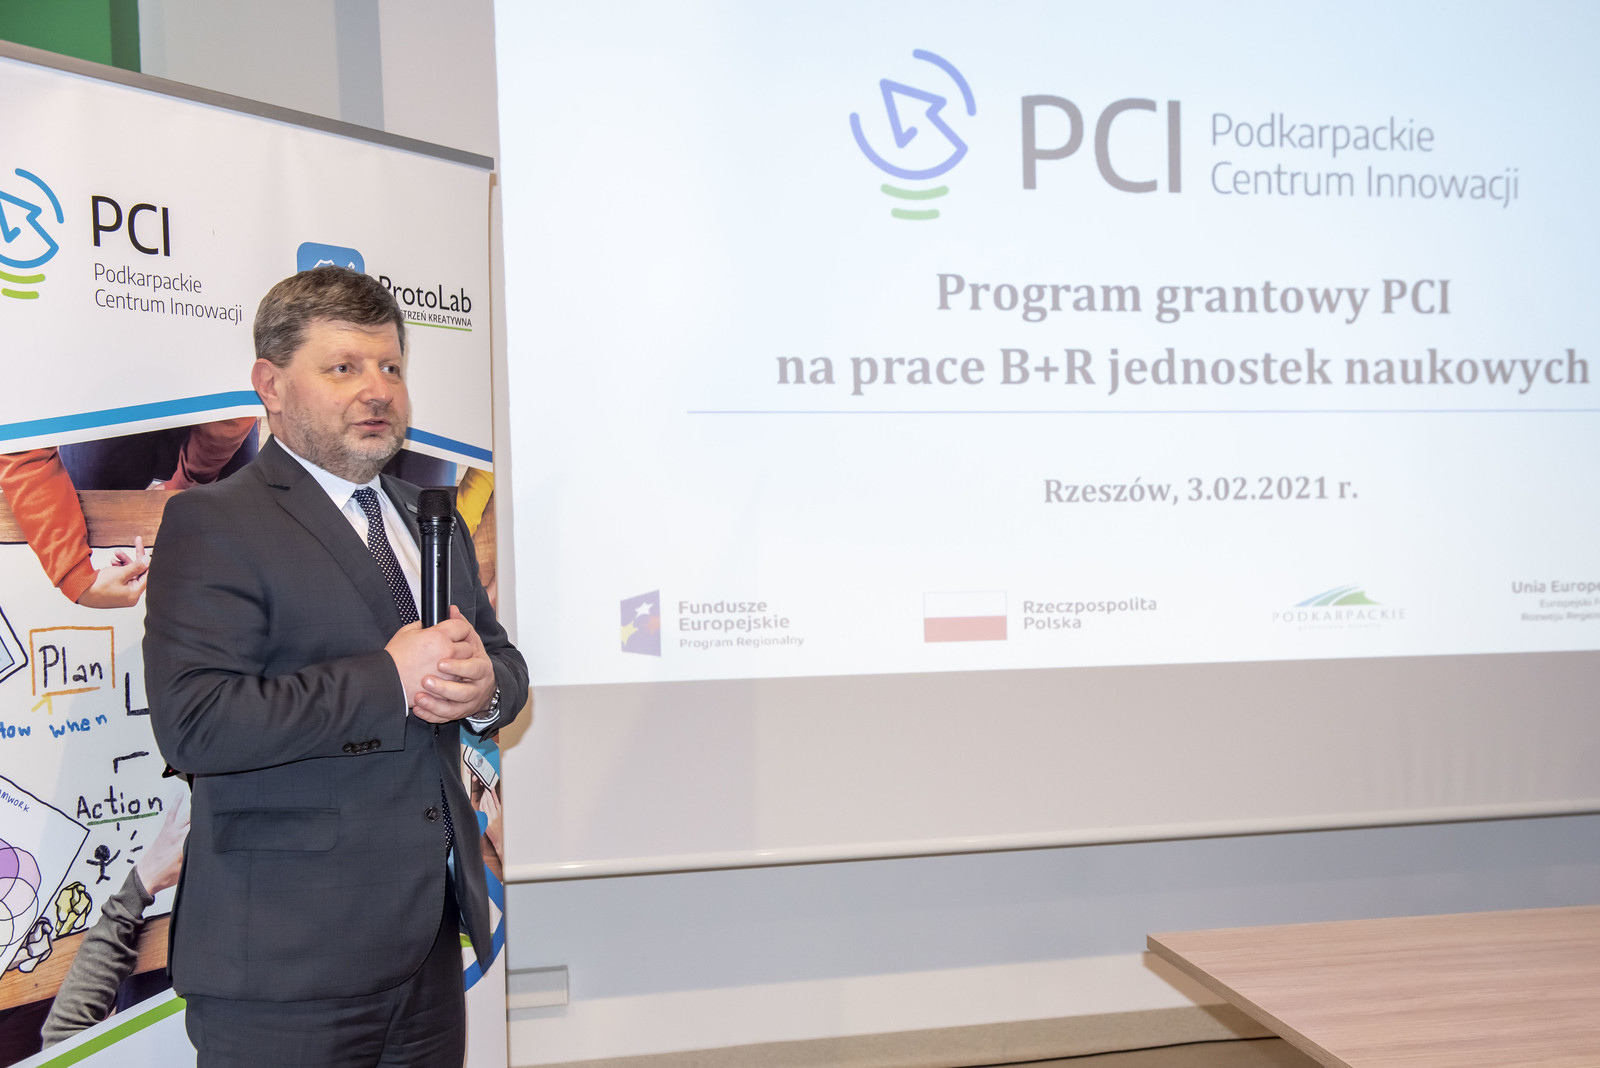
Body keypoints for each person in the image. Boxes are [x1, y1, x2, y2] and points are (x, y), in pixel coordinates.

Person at [143, 266, 527, 1066]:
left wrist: (488, 686)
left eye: (390, 367)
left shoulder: (432, 517)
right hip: (285, 963)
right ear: (271, 385)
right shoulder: (214, 522)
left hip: (427, 949)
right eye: (344, 367)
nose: (377, 390)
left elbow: (499, 659)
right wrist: (388, 679)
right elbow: (196, 725)